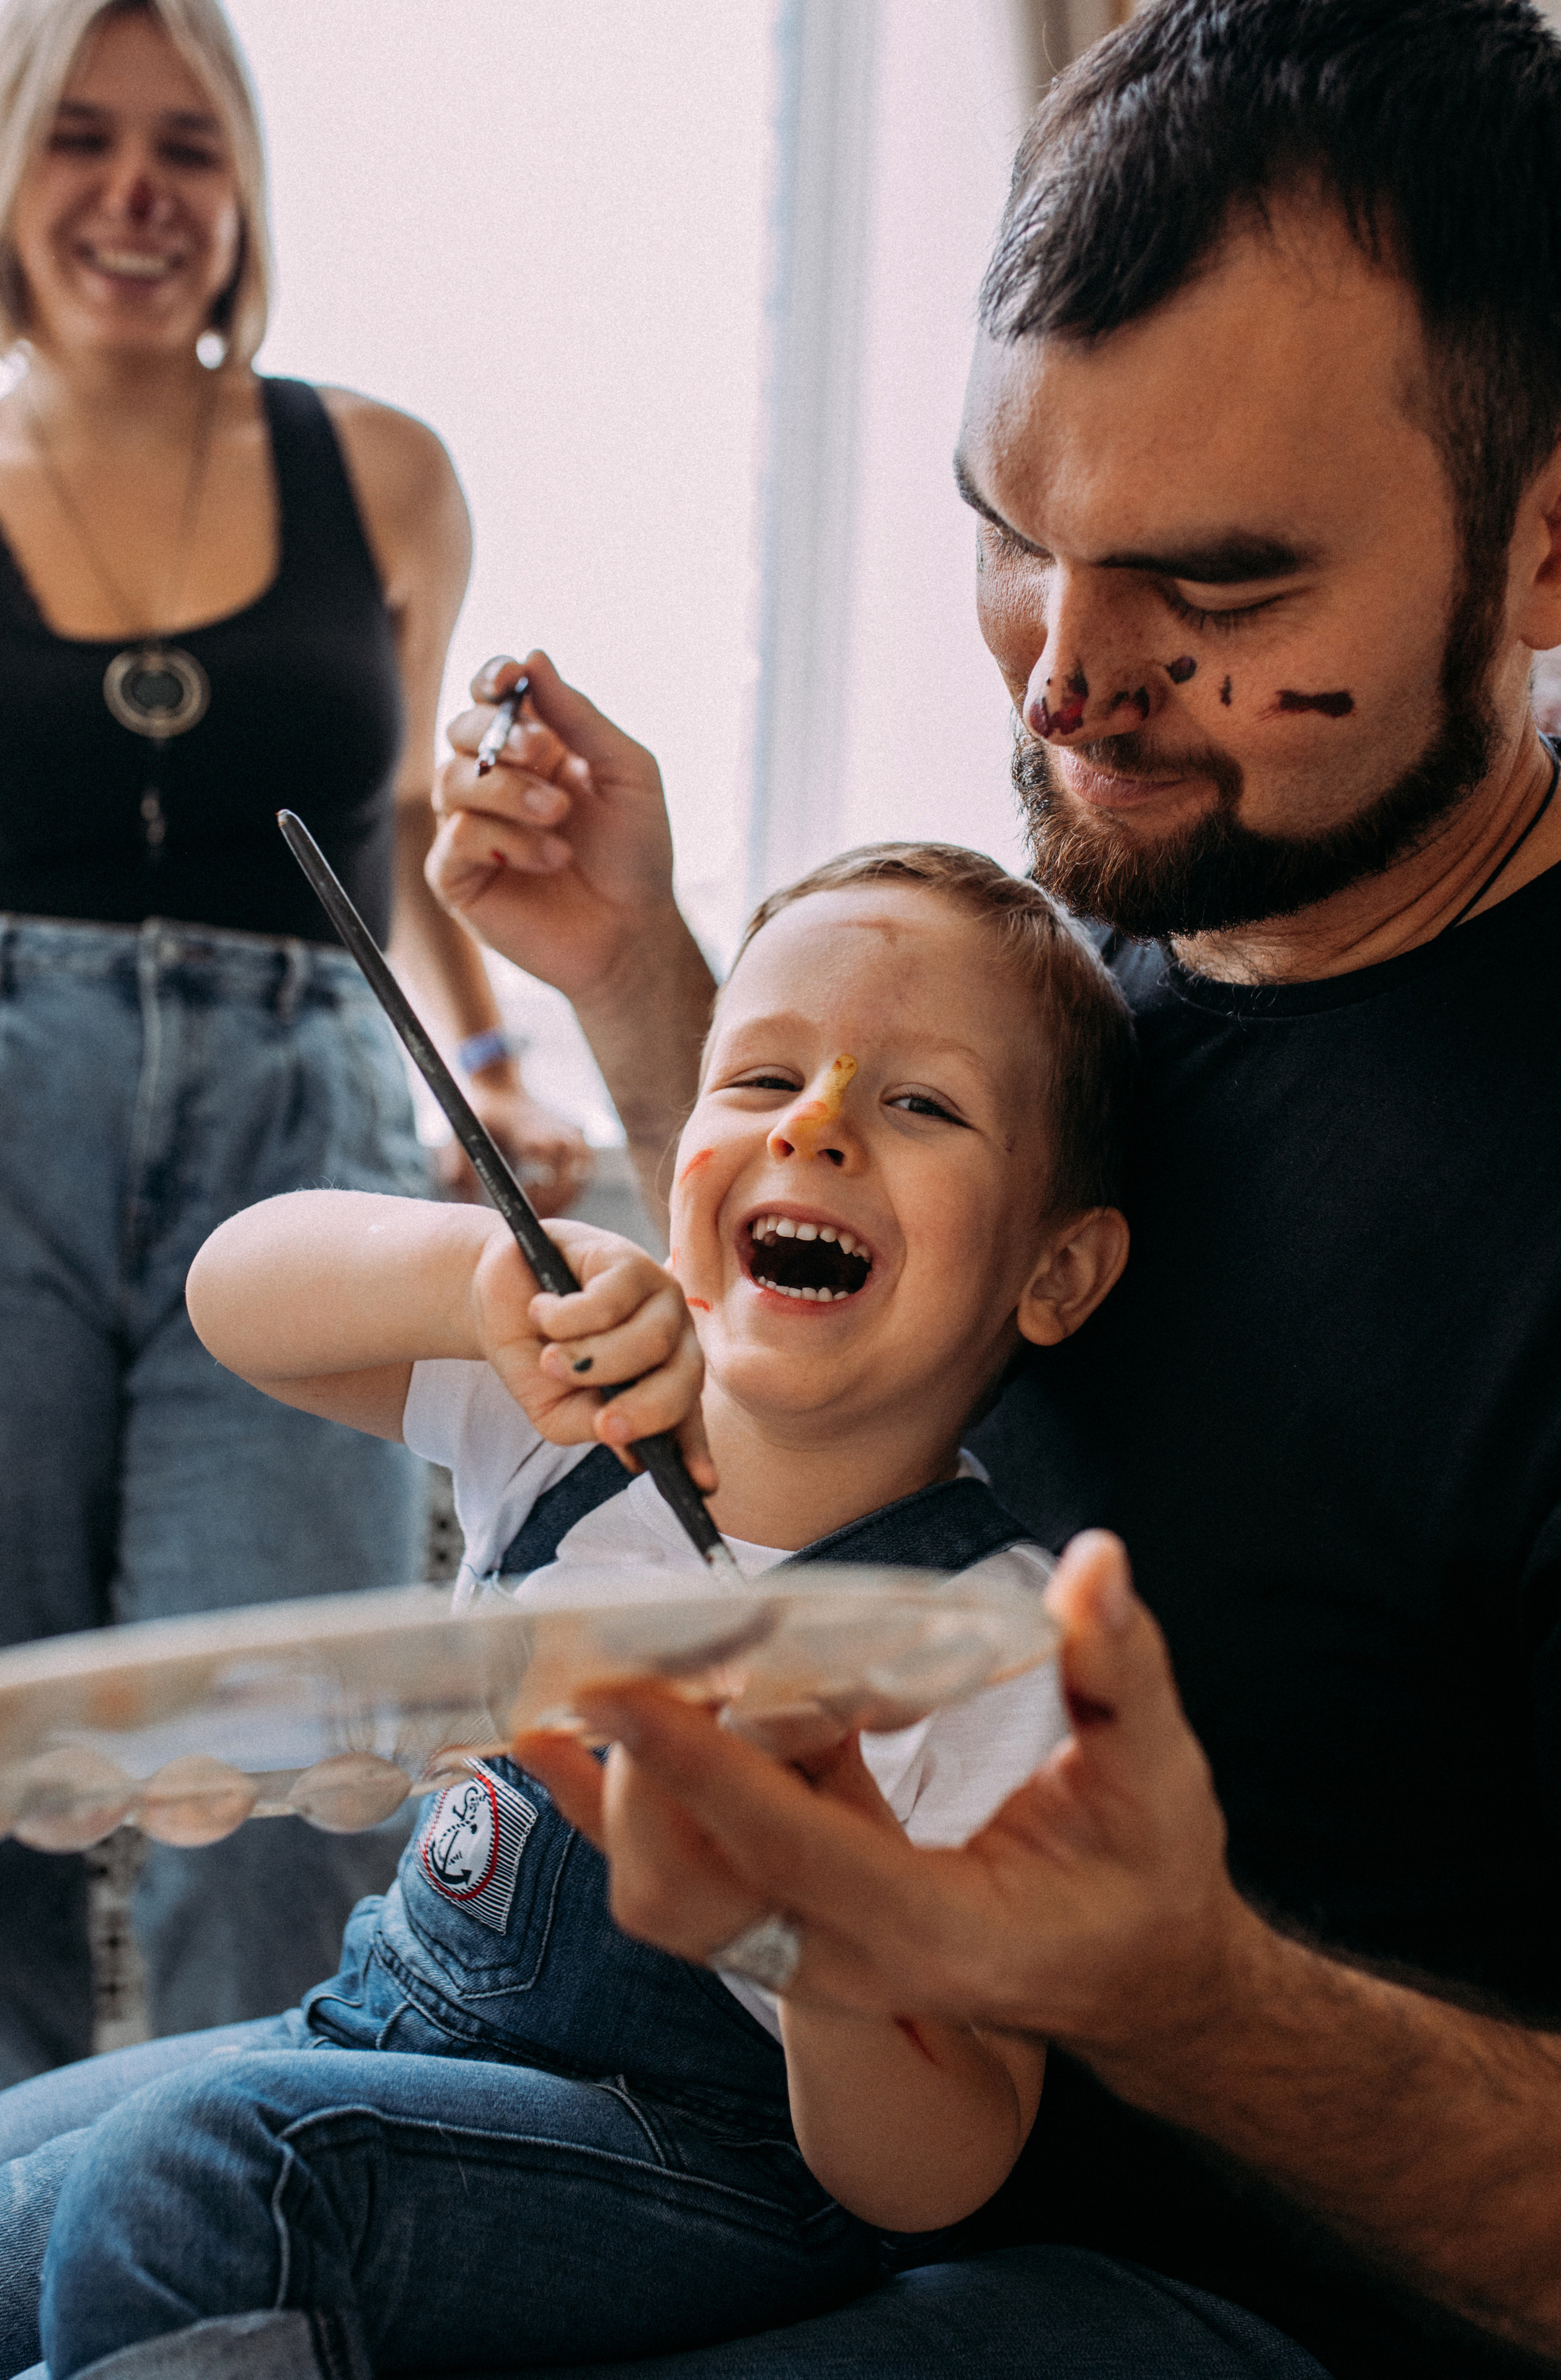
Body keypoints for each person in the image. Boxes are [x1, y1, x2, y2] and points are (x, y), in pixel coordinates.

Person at [404, 3, 1561, 2375]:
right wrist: (653, 997)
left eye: (1215, 599)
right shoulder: (1127, 903)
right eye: (1010, 537)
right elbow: (930, 1357)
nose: (1063, 679)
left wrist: (1195, 2000)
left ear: (1549, 544)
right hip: (777, 2162)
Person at [0, 843, 1133, 2380]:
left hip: (707, 2165)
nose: (816, 1123)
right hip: (383, 2033)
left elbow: (942, 2171)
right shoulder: (557, 1415)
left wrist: (824, 1919)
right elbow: (230, 1291)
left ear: (1055, 1268)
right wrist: (476, 1284)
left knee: (202, 2177)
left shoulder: (982, 1643)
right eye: (761, 1077)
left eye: (916, 1104)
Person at [0, 0, 590, 2100]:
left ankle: (237, 2250)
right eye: (80, 140)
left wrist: (491, 1057)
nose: (136, 195)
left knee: (291, 1741)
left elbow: (399, 834)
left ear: (243, 190)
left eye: (187, 146)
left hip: (299, 1126)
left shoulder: (385, 472)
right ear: (3, 170)